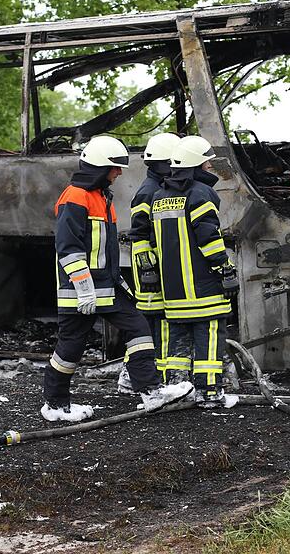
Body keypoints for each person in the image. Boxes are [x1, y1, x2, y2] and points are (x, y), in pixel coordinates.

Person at [43, 135, 192, 422]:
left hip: (105, 289)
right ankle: (55, 404)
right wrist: (84, 287)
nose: (119, 173)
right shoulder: (75, 197)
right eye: (115, 167)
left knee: (138, 327)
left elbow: (105, 252)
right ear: (100, 168)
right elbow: (69, 247)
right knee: (69, 350)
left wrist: (118, 282)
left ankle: (150, 392)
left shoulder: (101, 198)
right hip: (80, 293)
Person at [151, 135, 240, 408]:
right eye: (206, 163)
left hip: (174, 291)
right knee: (210, 333)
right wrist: (224, 268)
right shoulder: (201, 194)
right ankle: (209, 392)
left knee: (178, 340)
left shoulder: (159, 196)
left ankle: (178, 388)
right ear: (195, 166)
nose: (210, 168)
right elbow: (208, 237)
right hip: (203, 288)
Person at [118, 132, 181, 394]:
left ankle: (135, 376)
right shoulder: (148, 193)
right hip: (151, 274)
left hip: (157, 270)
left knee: (155, 323)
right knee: (152, 324)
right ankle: (135, 376)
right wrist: (150, 271)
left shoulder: (159, 189)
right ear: (164, 164)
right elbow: (141, 235)